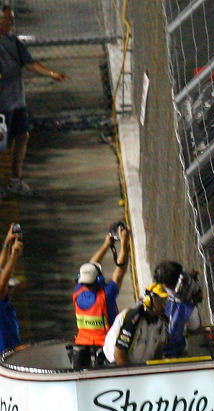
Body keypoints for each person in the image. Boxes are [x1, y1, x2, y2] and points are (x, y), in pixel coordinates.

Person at [0, 5, 68, 198]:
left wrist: (52, 74)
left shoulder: (12, 42)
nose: (11, 23)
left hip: (16, 100)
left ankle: (15, 181)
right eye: (8, 20)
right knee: (0, 145)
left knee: (22, 136)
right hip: (2, 107)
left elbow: (29, 63)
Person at [71, 225, 130, 368]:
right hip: (104, 348)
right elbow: (120, 270)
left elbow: (91, 266)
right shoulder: (105, 295)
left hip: (80, 348)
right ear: (99, 280)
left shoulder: (77, 292)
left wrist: (105, 245)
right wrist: (124, 243)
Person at [103, 283, 169, 366]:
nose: (164, 305)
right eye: (160, 301)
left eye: (165, 301)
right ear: (148, 300)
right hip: (118, 365)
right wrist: (131, 377)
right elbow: (119, 354)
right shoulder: (132, 319)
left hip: (140, 368)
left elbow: (158, 351)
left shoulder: (161, 322)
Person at [153, 260, 202, 357]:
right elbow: (195, 329)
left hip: (153, 347)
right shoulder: (186, 307)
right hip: (172, 352)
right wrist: (193, 304)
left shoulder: (151, 295)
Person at [0, 222, 22, 353]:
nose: (12, 289)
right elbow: (2, 283)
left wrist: (7, 244)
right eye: (10, 286)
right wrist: (14, 255)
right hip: (5, 359)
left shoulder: (5, 304)